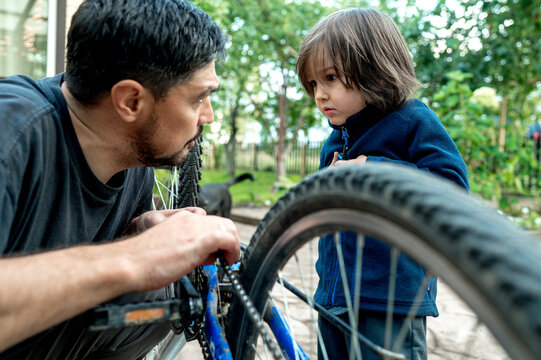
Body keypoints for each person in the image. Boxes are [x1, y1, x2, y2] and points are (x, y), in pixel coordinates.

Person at [0, 0, 240, 359]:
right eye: (199, 98)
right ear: (130, 101)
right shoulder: (13, 131)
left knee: (167, 293)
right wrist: (136, 257)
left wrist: (137, 231)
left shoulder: (133, 152)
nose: (209, 116)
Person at [296, 8, 469, 360]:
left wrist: (374, 168)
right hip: (333, 294)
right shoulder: (335, 139)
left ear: (374, 68)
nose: (319, 95)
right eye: (314, 84)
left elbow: (451, 188)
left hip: (390, 300)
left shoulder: (411, 119)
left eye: (330, 78)